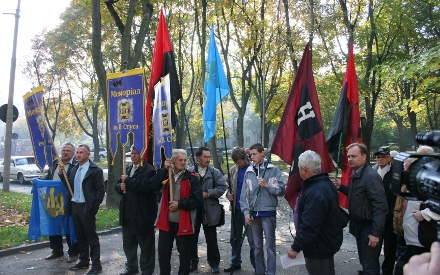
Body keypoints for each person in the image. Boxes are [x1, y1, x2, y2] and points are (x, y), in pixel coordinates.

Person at [333, 143, 388, 275]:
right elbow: (358, 195)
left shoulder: (370, 177)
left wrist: (375, 233)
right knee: (365, 262)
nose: (350, 159)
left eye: (354, 156)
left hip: (369, 227)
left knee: (369, 265)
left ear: (364, 157)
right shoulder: (357, 174)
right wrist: (342, 187)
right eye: (349, 156)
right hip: (359, 226)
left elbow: (380, 206)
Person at [287, 150, 343, 275]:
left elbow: (310, 224)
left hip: (319, 247)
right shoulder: (324, 184)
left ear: (304, 170)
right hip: (323, 244)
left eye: (299, 168)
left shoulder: (316, 192)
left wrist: (295, 247)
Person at [154, 149, 203, 275]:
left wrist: (179, 204)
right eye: (180, 160)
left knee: (185, 255)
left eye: (184, 160)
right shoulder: (165, 175)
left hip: (184, 222)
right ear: (173, 160)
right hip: (166, 222)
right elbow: (153, 185)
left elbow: (197, 200)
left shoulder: (192, 179)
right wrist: (164, 169)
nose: (183, 163)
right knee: (164, 254)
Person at [60, 144, 105, 275]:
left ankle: (97, 265)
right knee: (80, 236)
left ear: (88, 155)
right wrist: (62, 173)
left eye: (81, 152)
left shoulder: (95, 170)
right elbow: (68, 185)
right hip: (75, 206)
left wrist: (93, 208)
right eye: (77, 152)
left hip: (87, 207)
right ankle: (84, 260)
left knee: (91, 237)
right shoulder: (74, 169)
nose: (78, 155)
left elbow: (100, 190)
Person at [240, 143, 285, 275]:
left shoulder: (272, 169)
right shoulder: (249, 171)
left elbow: (281, 190)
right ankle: (260, 272)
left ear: (262, 154)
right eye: (250, 155)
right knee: (257, 246)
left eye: (254, 154)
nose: (252, 157)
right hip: (254, 214)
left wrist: (267, 185)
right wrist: (246, 212)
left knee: (270, 246)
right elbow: (244, 195)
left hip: (268, 212)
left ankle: (271, 272)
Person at [394, 145, 440, 275]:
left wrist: (426, 214)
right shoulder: (414, 180)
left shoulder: (431, 182)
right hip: (407, 236)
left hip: (421, 239)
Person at [115, 146, 158, 275]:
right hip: (127, 213)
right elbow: (118, 184)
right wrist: (120, 187)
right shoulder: (127, 168)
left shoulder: (149, 170)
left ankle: (147, 270)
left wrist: (127, 181)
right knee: (129, 244)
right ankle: (131, 267)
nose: (133, 156)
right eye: (131, 153)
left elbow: (146, 187)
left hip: (142, 214)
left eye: (135, 153)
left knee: (146, 246)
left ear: (142, 154)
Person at [188, 147, 227, 274]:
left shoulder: (214, 172)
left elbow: (222, 188)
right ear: (197, 158)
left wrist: (208, 193)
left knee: (211, 238)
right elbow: (184, 189)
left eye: (209, 157)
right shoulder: (190, 172)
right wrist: (194, 182)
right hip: (194, 209)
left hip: (209, 209)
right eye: (205, 157)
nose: (208, 159)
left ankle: (214, 263)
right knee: (192, 238)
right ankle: (193, 262)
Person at [42, 142, 79, 263]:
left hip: (68, 200)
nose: (65, 152)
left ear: (73, 153)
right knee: (54, 225)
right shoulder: (54, 163)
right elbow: (49, 178)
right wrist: (39, 182)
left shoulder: (76, 165)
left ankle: (73, 252)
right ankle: (56, 250)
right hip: (53, 200)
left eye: (68, 150)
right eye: (63, 150)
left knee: (69, 226)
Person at [224, 147, 256, 272]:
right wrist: (228, 194)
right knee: (235, 238)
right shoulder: (233, 170)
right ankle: (235, 261)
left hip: (248, 210)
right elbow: (229, 186)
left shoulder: (253, 169)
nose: (238, 164)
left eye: (240, 162)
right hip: (236, 209)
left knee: (252, 239)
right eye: (236, 162)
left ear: (245, 158)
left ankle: (256, 265)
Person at [372, 147, 397, 275]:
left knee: (390, 248)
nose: (380, 159)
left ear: (389, 158)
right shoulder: (373, 171)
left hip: (390, 217)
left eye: (383, 157)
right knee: (373, 248)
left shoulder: (395, 173)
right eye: (378, 157)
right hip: (376, 216)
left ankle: (387, 272)